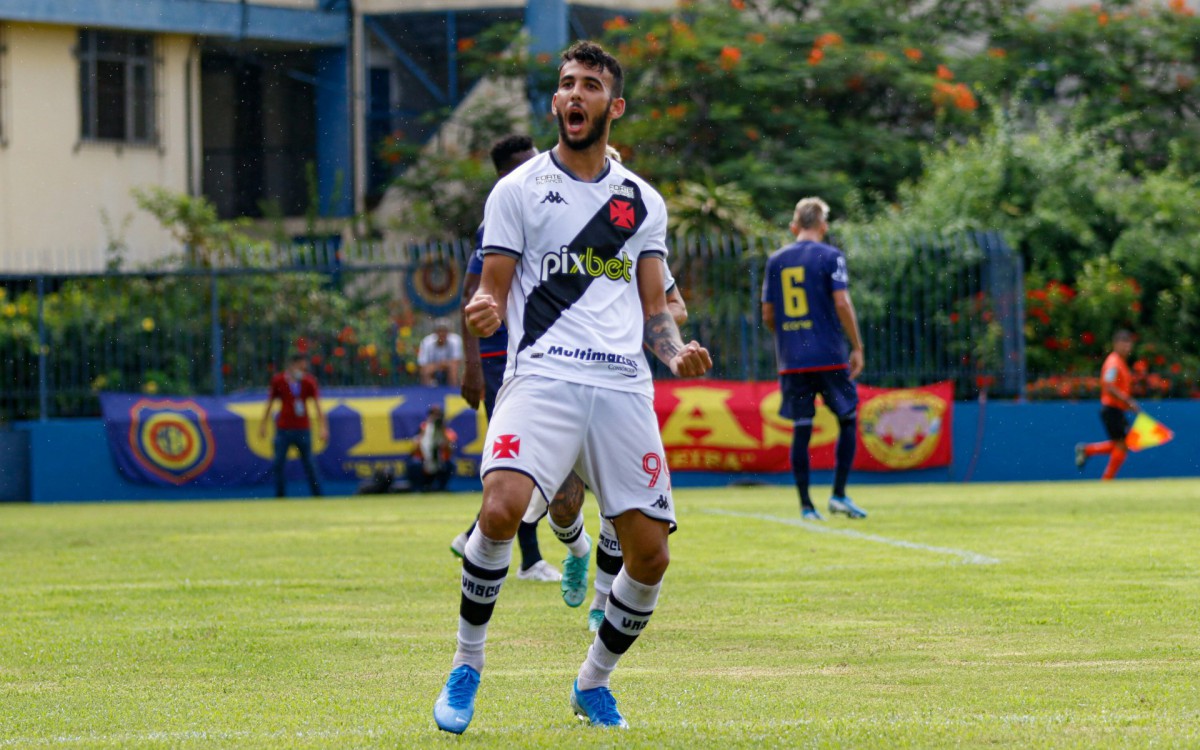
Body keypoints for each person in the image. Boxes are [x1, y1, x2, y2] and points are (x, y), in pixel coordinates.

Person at [433, 40, 712, 733]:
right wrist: (485, 309)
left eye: (590, 84)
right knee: (501, 508)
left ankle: (593, 682)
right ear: (556, 102)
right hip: (544, 376)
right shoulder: (517, 191)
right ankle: (467, 663)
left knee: (651, 556)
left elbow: (656, 310)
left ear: (614, 106)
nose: (575, 94)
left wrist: (676, 351)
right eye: (567, 84)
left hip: (621, 388)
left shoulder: (641, 202)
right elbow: (492, 288)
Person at [453, 135, 561, 584]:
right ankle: (530, 559)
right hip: (500, 359)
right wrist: (473, 366)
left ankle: (474, 533)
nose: (536, 170)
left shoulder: (533, 215)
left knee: (533, 456)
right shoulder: (496, 221)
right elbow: (470, 296)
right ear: (505, 174)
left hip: (529, 353)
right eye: (525, 164)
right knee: (520, 456)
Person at [761, 197, 867, 521]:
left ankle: (807, 506)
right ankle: (838, 495)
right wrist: (857, 346)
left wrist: (789, 338)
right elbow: (842, 302)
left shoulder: (776, 260)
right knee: (847, 418)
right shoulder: (831, 256)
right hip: (829, 355)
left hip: (792, 360)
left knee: (802, 427)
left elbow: (768, 314)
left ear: (794, 226)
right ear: (823, 225)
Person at [259, 354, 327, 498]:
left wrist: (323, 427)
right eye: (301, 367)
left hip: (303, 428)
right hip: (283, 429)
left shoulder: (308, 381)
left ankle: (318, 495)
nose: (303, 371)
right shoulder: (279, 380)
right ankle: (280, 496)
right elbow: (270, 403)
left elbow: (318, 405)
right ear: (292, 365)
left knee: (310, 464)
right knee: (278, 464)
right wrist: (263, 425)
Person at [1075, 330, 1139, 480]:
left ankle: (1087, 451)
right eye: (1123, 344)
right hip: (1111, 408)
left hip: (1116, 409)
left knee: (1122, 444)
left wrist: (1127, 404)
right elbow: (1109, 386)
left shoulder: (1120, 362)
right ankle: (1106, 478)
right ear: (1115, 344)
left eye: (1129, 344)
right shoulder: (1113, 363)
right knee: (1123, 444)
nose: (1126, 348)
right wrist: (1128, 401)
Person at [410, 403, 458, 492]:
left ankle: (442, 488)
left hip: (440, 462)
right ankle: (418, 488)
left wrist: (442, 432)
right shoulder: (423, 428)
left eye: (438, 415)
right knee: (414, 464)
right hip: (424, 461)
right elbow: (414, 449)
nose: (435, 418)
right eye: (433, 415)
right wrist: (424, 433)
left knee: (451, 464)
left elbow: (451, 450)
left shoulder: (447, 432)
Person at [417, 318, 463, 387]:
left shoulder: (455, 340)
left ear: (448, 332)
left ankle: (453, 389)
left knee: (453, 368)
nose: (442, 334)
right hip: (434, 367)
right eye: (440, 331)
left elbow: (457, 361)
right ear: (435, 332)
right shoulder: (426, 341)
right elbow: (422, 364)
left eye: (444, 331)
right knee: (425, 371)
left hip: (447, 367)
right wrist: (439, 365)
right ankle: (427, 390)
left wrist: (443, 365)